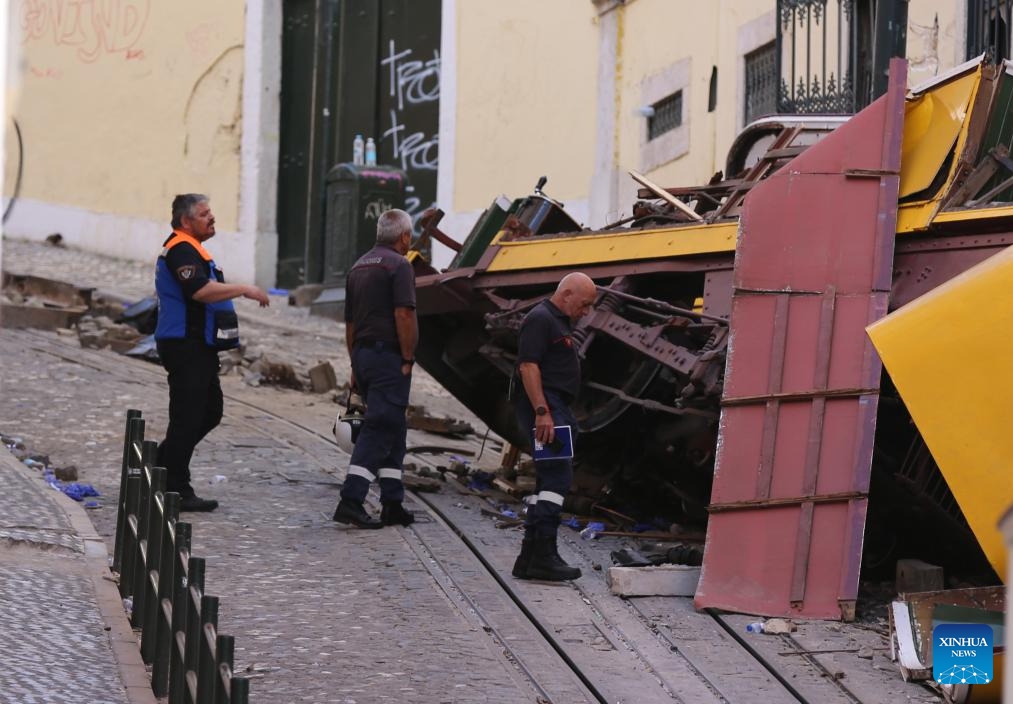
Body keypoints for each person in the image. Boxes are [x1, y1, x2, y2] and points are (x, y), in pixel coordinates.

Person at [154, 194, 270, 512]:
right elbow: (200, 291)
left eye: (211, 212)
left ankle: (161, 462)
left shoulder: (193, 249)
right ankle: (175, 488)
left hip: (199, 346)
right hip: (184, 345)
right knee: (187, 417)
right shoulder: (180, 249)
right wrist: (244, 289)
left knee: (209, 412)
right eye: (204, 214)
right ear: (186, 221)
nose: (212, 218)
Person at [332, 209, 417, 529]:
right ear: (404, 237)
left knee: (395, 425)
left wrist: (355, 363)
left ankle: (392, 501)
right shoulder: (399, 265)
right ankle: (351, 500)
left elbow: (351, 324)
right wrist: (407, 358)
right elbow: (404, 315)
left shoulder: (358, 267)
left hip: (365, 357)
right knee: (381, 426)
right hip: (389, 358)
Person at [511, 272, 597, 581]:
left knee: (547, 478)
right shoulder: (541, 319)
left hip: (556, 406)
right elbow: (528, 366)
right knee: (558, 476)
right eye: (584, 304)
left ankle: (529, 558)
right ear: (568, 294)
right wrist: (542, 411)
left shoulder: (558, 321)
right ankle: (544, 556)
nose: (586, 312)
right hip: (547, 407)